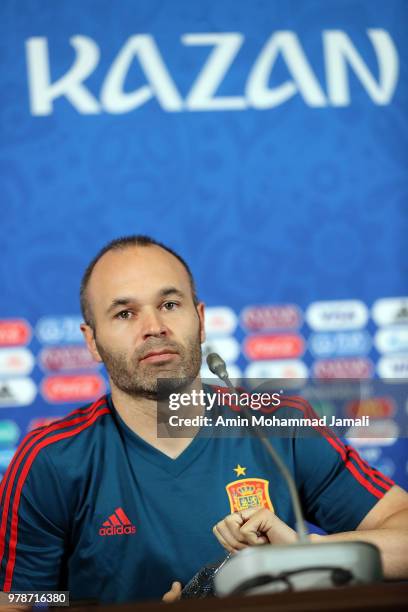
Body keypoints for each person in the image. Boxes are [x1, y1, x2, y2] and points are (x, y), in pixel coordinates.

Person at [0, 235, 407, 604]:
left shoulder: (280, 425)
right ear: (91, 341)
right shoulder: (51, 459)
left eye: (169, 305)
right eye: (125, 314)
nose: (154, 328)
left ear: (200, 319)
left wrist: (304, 554)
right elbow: (18, 602)